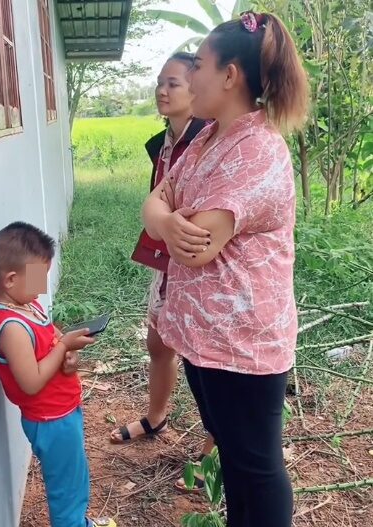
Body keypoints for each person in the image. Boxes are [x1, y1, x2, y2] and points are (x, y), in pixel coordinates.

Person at [142, 12, 308, 527]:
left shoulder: (258, 150)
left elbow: (195, 246)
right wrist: (166, 220)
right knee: (235, 459)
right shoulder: (207, 139)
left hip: (243, 346)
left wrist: (167, 221)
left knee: (256, 468)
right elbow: (155, 203)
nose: (190, 77)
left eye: (199, 66)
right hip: (202, 337)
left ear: (230, 75)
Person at [110, 52, 214, 491]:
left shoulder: (210, 139)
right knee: (158, 341)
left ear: (198, 89)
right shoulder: (164, 143)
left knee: (204, 358)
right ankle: (156, 417)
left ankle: (212, 452)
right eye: (159, 82)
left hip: (200, 261)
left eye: (173, 83)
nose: (162, 91)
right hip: (167, 257)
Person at [0, 222, 115, 527]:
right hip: (50, 421)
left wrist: (68, 356)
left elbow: (53, 341)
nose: (43, 285)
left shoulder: (28, 305)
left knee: (75, 477)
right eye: (38, 277)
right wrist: (63, 347)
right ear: (10, 279)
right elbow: (31, 383)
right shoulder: (12, 327)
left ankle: (79, 522)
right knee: (65, 490)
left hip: (63, 412)